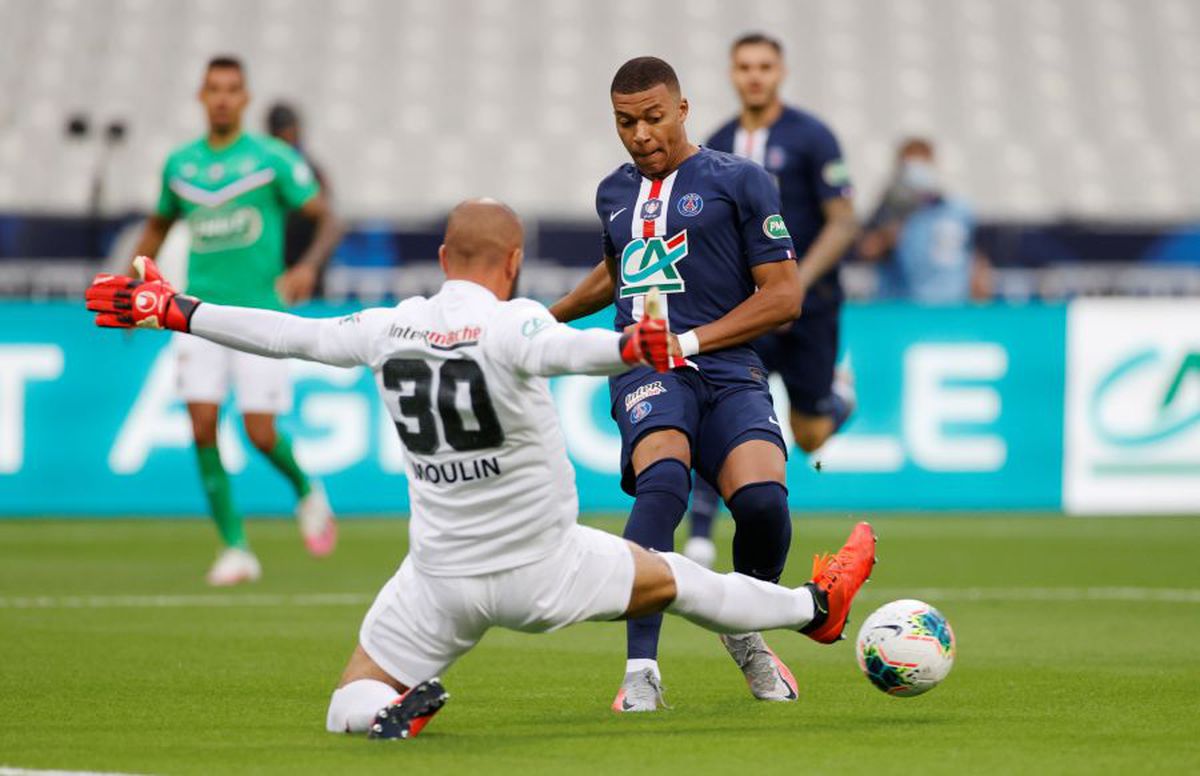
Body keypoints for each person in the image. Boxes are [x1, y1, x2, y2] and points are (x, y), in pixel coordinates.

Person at [85, 199, 878, 740]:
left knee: (346, 700)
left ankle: (385, 715)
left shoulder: (388, 325)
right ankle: (815, 606)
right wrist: (631, 346)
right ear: (513, 262)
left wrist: (176, 309)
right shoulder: (514, 320)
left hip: (440, 579)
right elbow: (568, 349)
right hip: (547, 567)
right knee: (679, 581)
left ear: (441, 258)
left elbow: (291, 335)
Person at [549, 57, 809, 710]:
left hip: (725, 365)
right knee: (664, 480)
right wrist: (543, 319)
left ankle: (743, 626)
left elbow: (783, 296)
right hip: (645, 365)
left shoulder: (741, 182)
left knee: (763, 506)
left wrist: (690, 340)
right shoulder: (613, 194)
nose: (640, 135)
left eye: (653, 118)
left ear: (684, 109)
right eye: (625, 122)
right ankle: (641, 672)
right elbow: (620, 274)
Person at [132, 56, 344, 585]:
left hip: (259, 315)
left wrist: (308, 266)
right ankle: (235, 548)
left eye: (232, 90)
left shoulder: (271, 159)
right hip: (195, 313)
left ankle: (305, 490)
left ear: (245, 99)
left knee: (261, 433)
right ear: (202, 97)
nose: (223, 98)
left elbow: (328, 217)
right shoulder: (180, 165)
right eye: (214, 89)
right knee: (202, 425)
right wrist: (129, 287)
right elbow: (157, 227)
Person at [685, 34, 861, 570]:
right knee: (719, 405)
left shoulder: (813, 137)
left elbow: (843, 219)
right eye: (744, 67)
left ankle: (840, 400)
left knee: (808, 437)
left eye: (764, 66)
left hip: (811, 304)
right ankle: (698, 532)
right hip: (745, 309)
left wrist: (797, 281)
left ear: (780, 71)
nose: (755, 76)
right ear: (732, 74)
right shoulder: (715, 140)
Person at [858, 137, 990, 302]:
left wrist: (980, 284)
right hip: (904, 309)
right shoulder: (888, 209)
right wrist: (894, 225)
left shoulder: (958, 209)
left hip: (952, 306)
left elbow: (972, 253)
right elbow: (868, 251)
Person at [266, 101, 340, 298]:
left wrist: (308, 266)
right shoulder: (263, 175)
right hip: (271, 277)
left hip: (307, 280)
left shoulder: (312, 173)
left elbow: (332, 223)